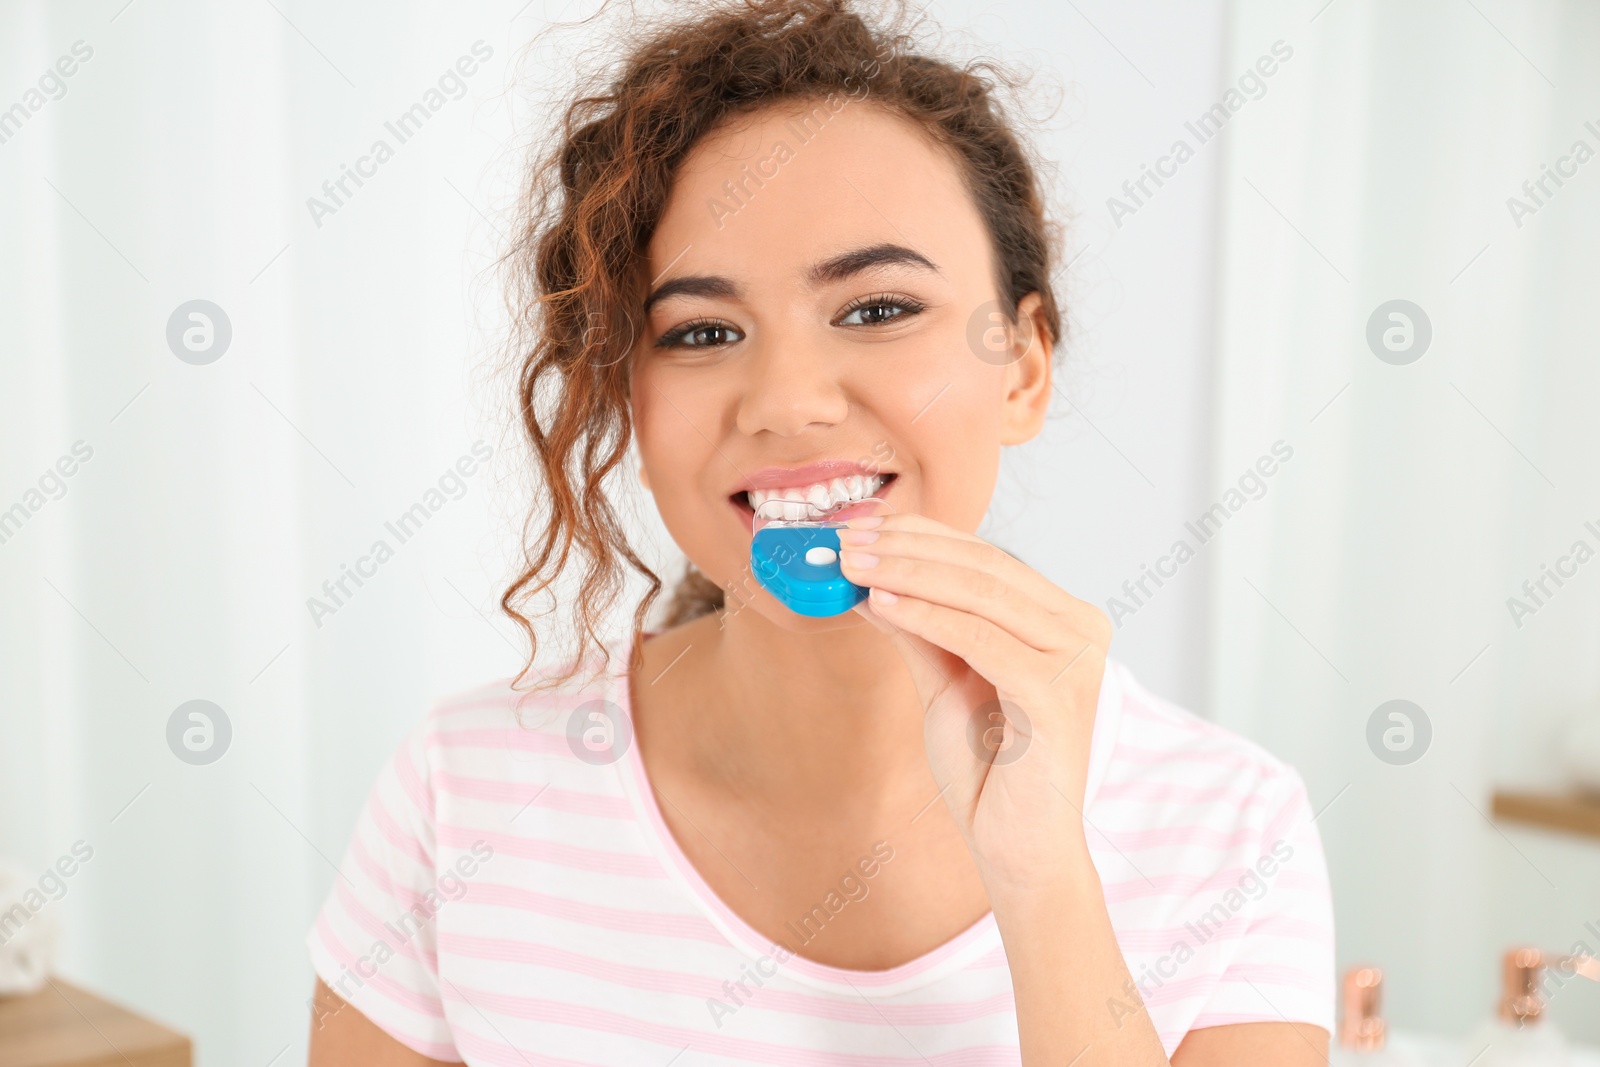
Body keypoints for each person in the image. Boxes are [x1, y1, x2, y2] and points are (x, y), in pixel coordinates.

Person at [307, 1, 1334, 1062]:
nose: (787, 401)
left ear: (1022, 364)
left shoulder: (1233, 829)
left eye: (877, 309)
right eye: (701, 331)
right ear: (627, 396)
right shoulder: (462, 790)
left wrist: (1041, 877)